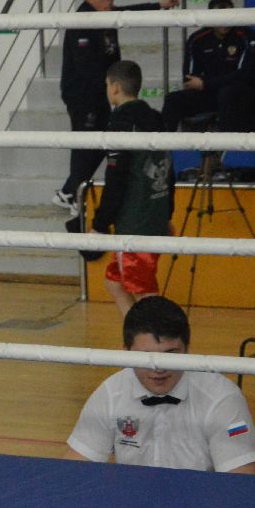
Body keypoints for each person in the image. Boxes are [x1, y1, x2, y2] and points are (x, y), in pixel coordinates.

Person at [65, 296, 255, 474]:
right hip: (131, 505)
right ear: (124, 353)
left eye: (170, 355)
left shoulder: (222, 398)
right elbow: (73, 472)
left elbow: (243, 483)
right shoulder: (110, 393)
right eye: (148, 357)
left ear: (187, 350)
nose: (158, 368)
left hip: (201, 507)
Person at [54, 0, 179, 214]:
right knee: (86, 143)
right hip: (84, 95)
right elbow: (86, 68)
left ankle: (69, 190)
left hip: (105, 92)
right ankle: (71, 193)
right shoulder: (82, 21)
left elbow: (128, 12)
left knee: (104, 142)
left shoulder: (106, 14)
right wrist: (115, 88)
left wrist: (158, 5)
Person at [86, 61, 172, 317]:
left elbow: (117, 179)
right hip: (155, 211)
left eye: (107, 85)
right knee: (115, 281)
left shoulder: (120, 122)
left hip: (135, 222)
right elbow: (169, 167)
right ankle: (135, 338)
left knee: (145, 292)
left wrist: (100, 224)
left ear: (114, 88)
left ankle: (159, 345)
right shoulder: (155, 117)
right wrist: (167, 212)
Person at [158, 0, 254, 130]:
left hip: (237, 95)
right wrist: (210, 84)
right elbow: (190, 79)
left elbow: (244, 75)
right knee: (173, 99)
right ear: (209, 18)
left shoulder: (246, 36)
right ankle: (163, 147)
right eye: (219, 18)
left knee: (228, 93)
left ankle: (225, 148)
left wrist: (206, 83)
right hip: (209, 94)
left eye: (228, 17)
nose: (224, 23)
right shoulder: (197, 39)